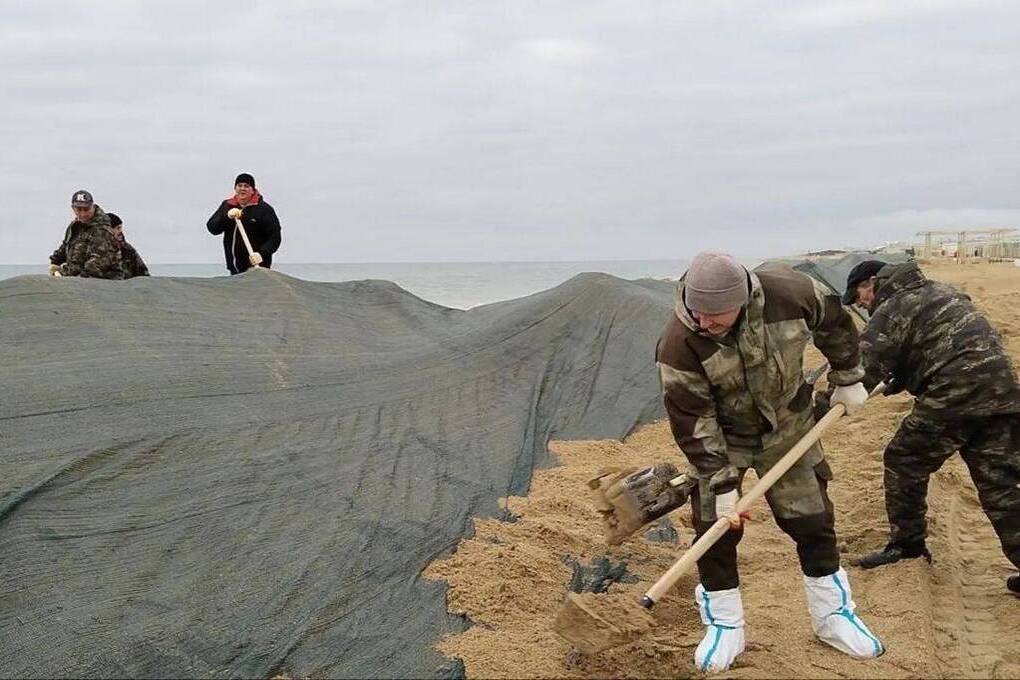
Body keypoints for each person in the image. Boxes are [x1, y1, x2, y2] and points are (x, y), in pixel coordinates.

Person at [656, 252, 883, 673]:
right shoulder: (680, 343)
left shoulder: (793, 293)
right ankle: (725, 624)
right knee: (714, 529)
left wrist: (848, 376)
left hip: (790, 426)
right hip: (723, 439)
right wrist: (722, 485)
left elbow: (835, 324)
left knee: (812, 520)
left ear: (741, 300)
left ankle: (833, 615)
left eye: (714, 314)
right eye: (696, 311)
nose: (703, 321)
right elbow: (693, 421)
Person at [842, 260, 1020, 597]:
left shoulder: (893, 306)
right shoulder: (941, 292)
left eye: (858, 296)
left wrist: (825, 403)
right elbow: (934, 347)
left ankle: (907, 544)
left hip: (956, 392)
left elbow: (864, 369)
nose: (861, 304)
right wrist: (903, 377)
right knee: (1000, 483)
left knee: (904, 459)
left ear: (871, 283)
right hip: (1002, 390)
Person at [206, 173, 282, 274]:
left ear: (253, 190)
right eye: (239, 185)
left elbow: (275, 237)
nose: (242, 189)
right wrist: (227, 217)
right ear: (235, 188)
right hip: (234, 268)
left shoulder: (264, 209)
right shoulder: (227, 206)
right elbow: (213, 228)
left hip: (258, 267)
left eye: (246, 186)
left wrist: (262, 254)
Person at [49, 190, 123, 279]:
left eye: (86, 209)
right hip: (78, 279)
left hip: (103, 281)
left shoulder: (102, 230)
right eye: (79, 209)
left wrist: (68, 277)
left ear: (93, 207)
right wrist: (54, 263)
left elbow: (97, 264)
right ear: (73, 208)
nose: (83, 214)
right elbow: (65, 246)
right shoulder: (75, 227)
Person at [107, 213, 150, 279]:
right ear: (108, 230)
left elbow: (144, 275)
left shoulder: (128, 250)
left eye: (121, 228)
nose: (121, 232)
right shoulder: (94, 250)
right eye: (118, 228)